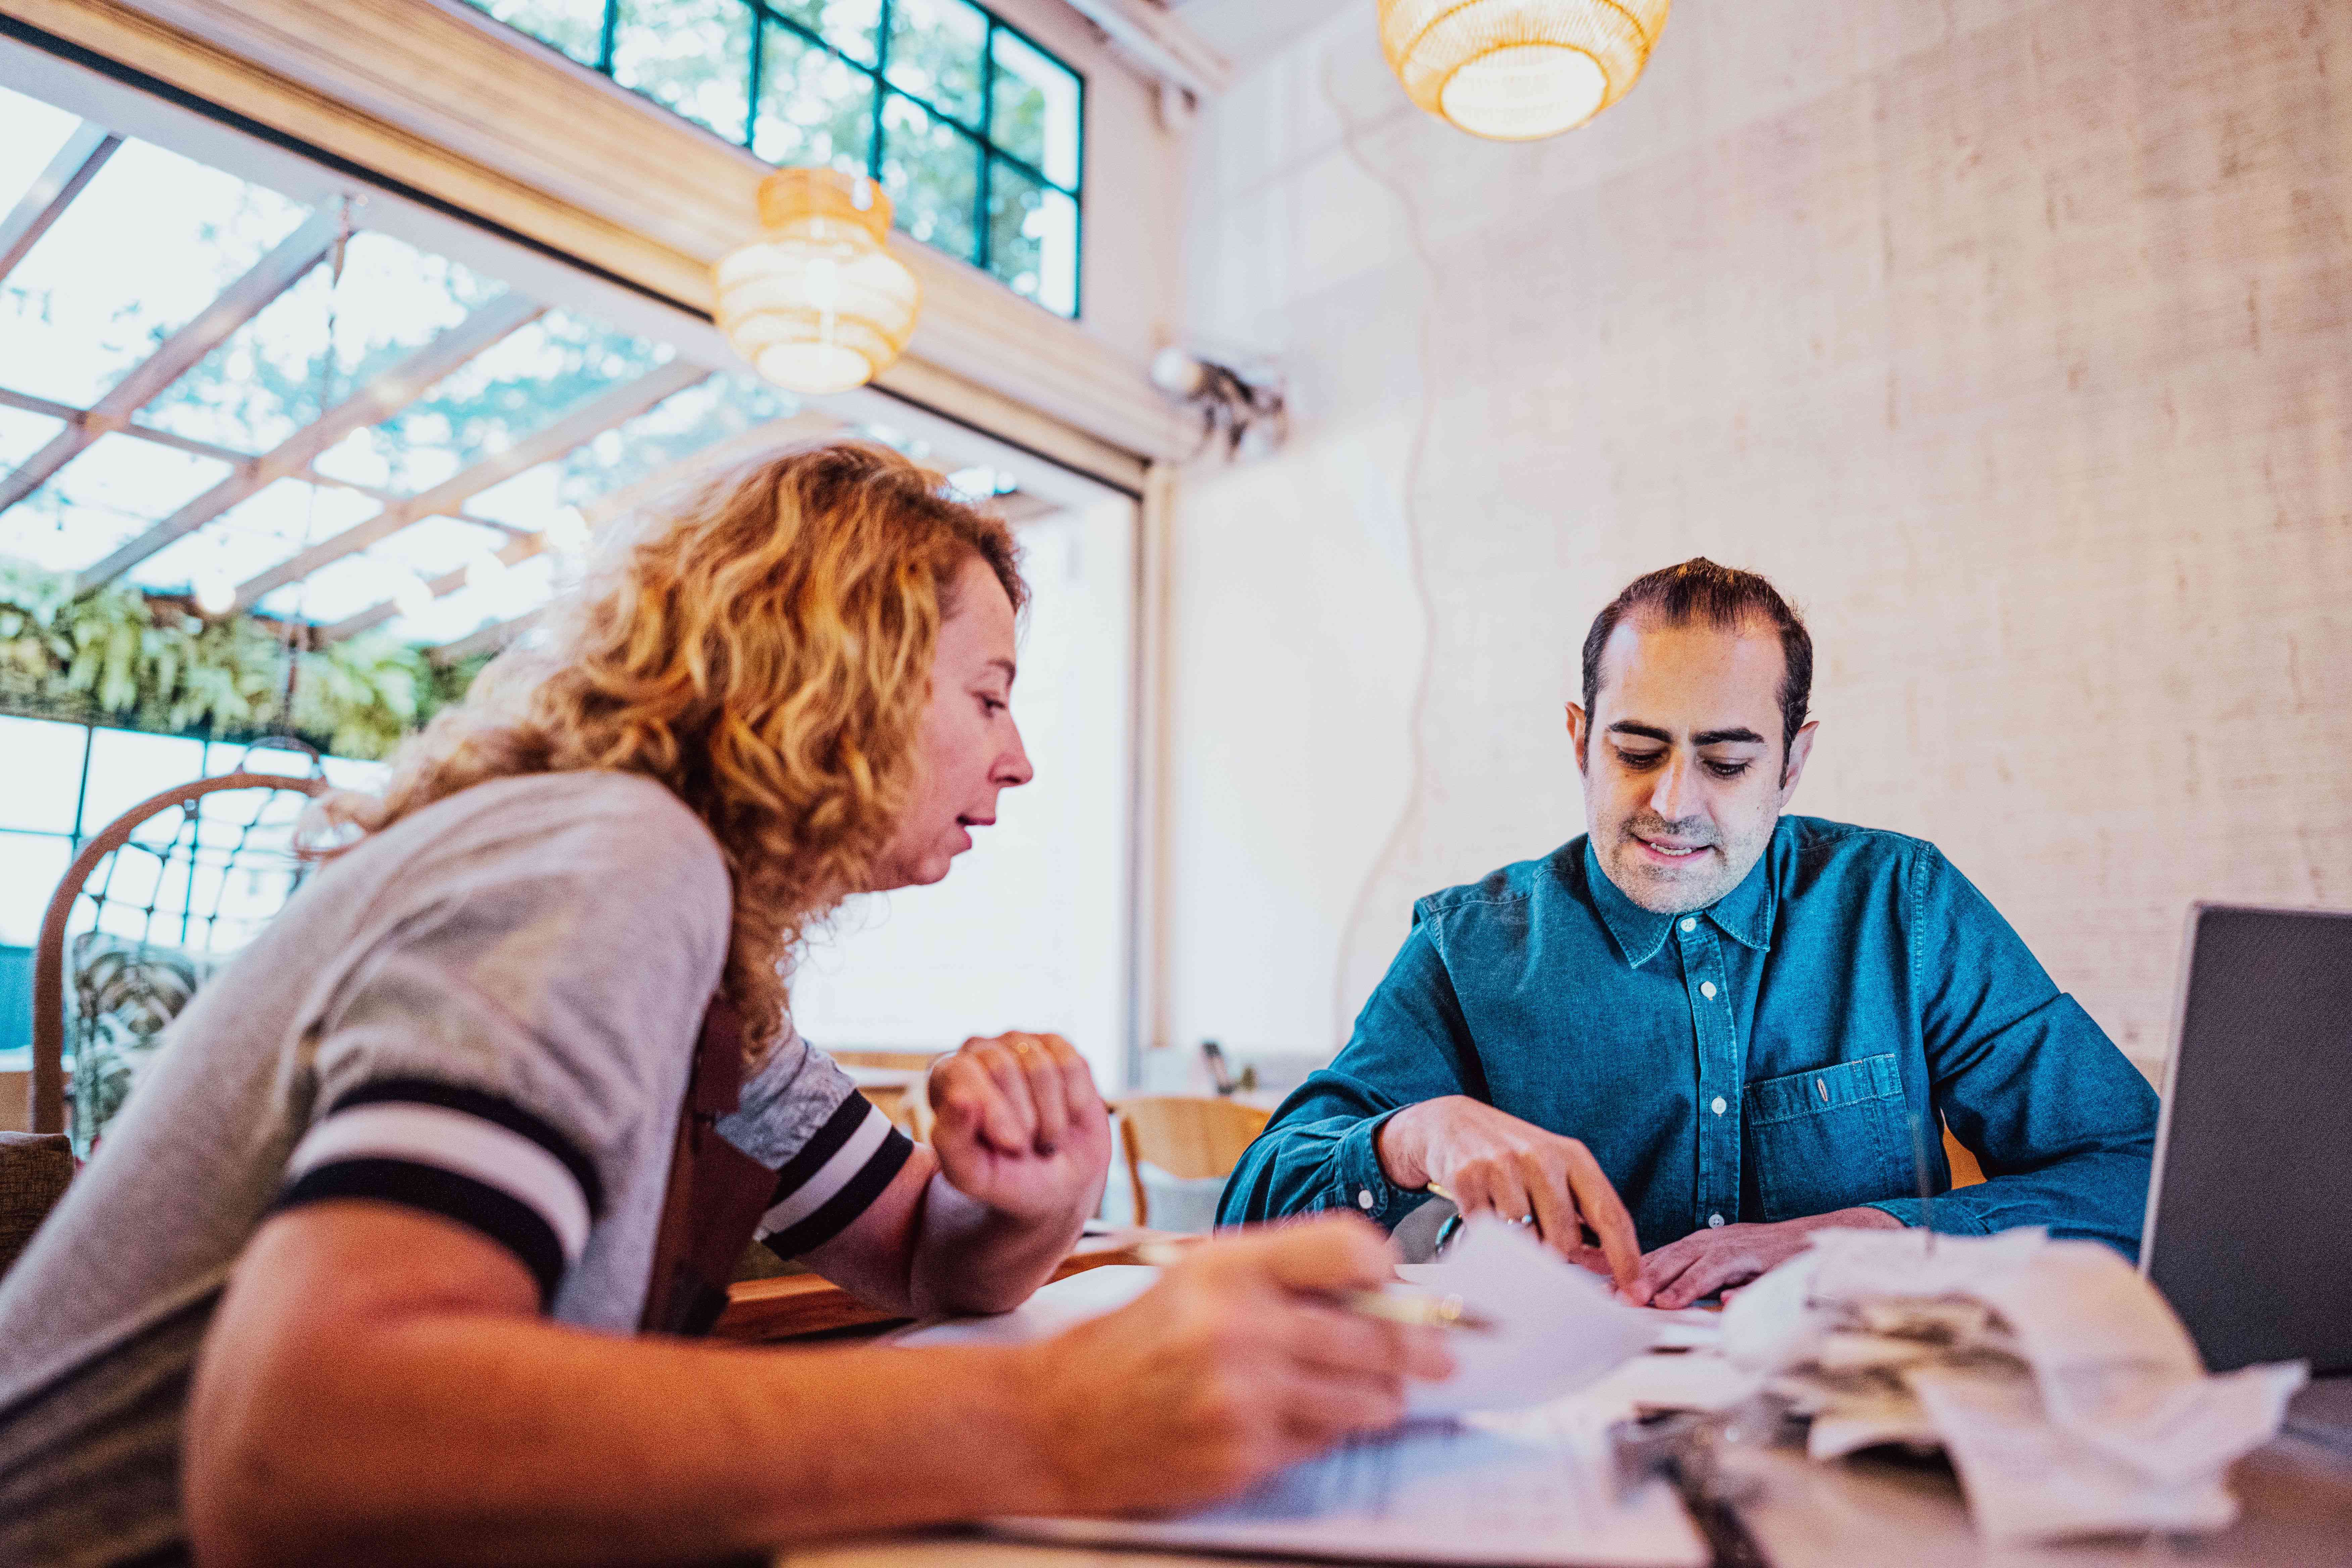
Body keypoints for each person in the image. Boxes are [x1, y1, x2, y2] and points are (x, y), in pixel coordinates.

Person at [0, 444, 1445, 1568]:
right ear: (850, 666)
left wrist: (1019, 1200)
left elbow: (932, 1266)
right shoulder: (615, 853)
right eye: (990, 694)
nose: (1018, 763)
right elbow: (306, 1448)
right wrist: (1051, 1424)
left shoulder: (708, 964)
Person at [1221, 558, 2158, 1308]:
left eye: (1727, 760)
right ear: (1580, 740)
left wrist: (1872, 1239)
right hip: (1564, 1447)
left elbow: (2138, 1172)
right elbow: (1247, 1219)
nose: (1675, 804)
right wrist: (1412, 1137)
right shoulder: (1468, 951)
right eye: (1637, 751)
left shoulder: (1904, 906)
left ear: (1792, 765)